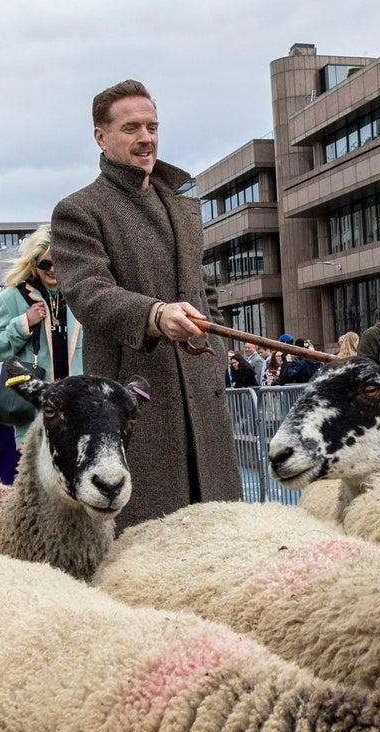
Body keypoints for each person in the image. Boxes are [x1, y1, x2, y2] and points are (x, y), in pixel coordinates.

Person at [51, 80, 241, 524]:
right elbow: (89, 293)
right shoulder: (78, 210)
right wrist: (155, 314)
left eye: (152, 126)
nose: (146, 138)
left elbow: (201, 290)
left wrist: (216, 360)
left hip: (201, 393)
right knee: (144, 548)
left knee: (221, 537)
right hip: (133, 403)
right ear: (101, 137)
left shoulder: (180, 203)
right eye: (131, 127)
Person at [0, 225, 81, 483]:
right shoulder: (13, 297)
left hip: (77, 405)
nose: (52, 269)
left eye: (59, 262)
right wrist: (23, 323)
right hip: (34, 409)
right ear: (33, 263)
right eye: (44, 263)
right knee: (38, 484)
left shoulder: (81, 296)